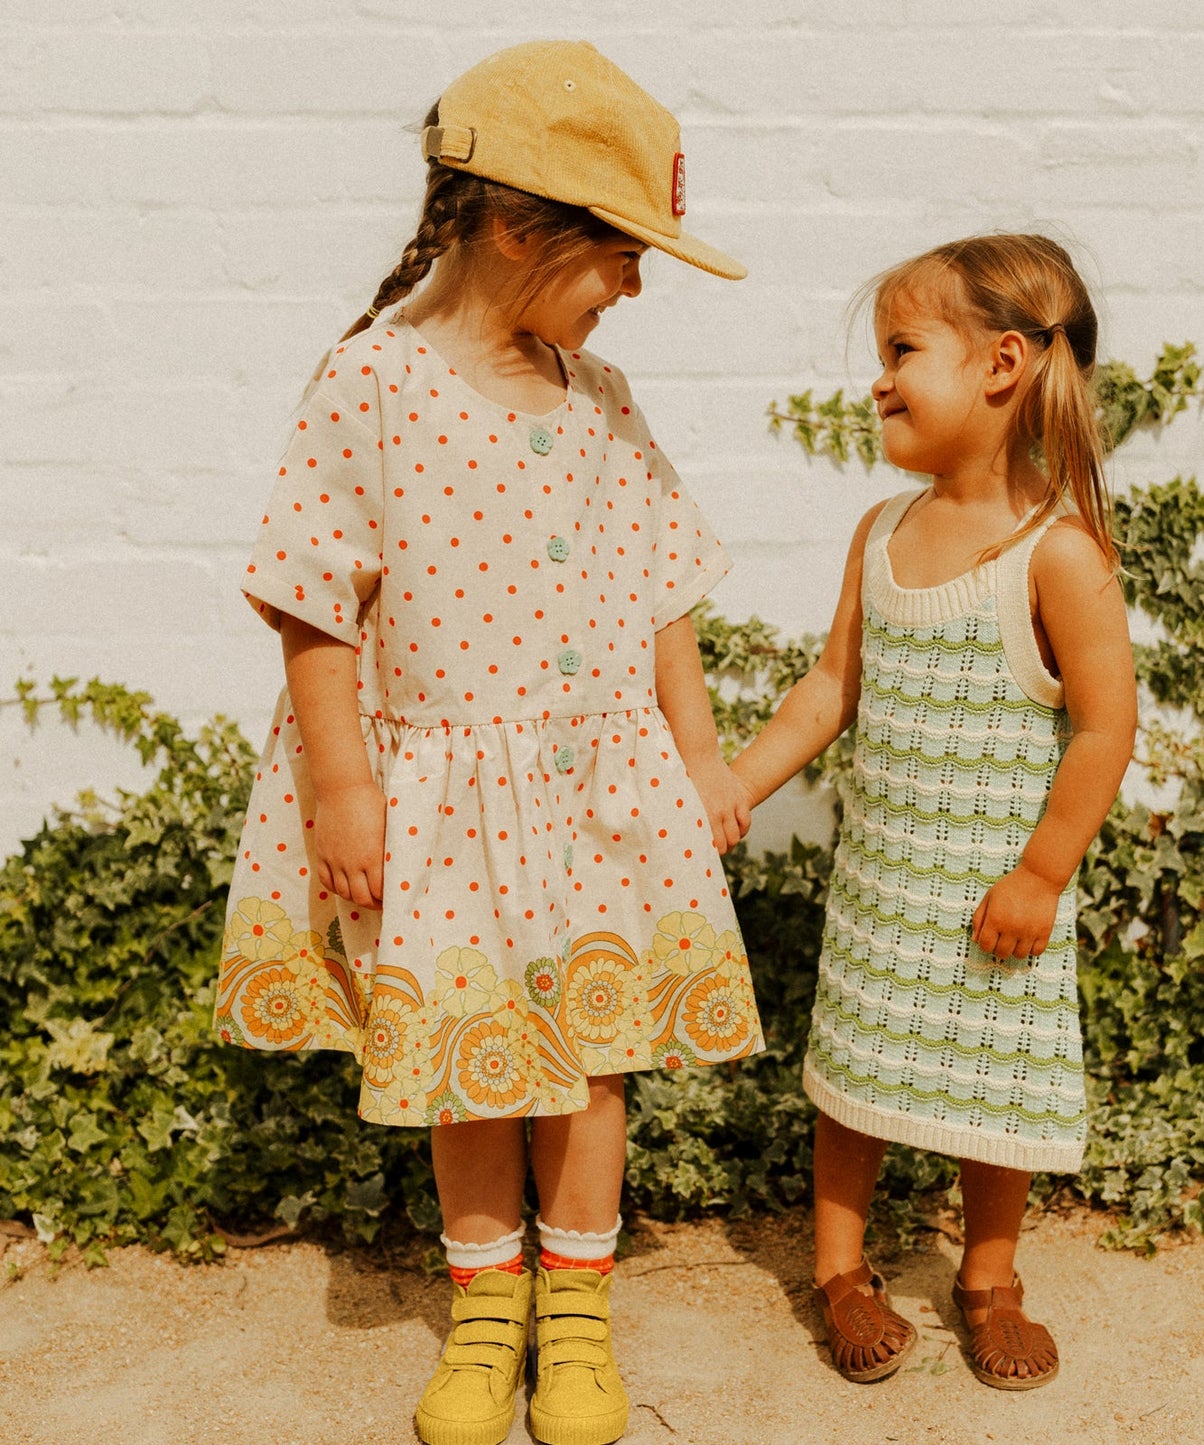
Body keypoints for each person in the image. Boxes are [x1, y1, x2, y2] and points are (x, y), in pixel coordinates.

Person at [214, 40, 759, 1445]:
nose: (633, 287)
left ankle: (576, 1314)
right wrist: (343, 787)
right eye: (620, 253)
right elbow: (313, 601)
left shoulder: (602, 401)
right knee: (467, 1056)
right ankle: (486, 1309)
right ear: (520, 227)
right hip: (440, 789)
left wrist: (699, 759)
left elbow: (662, 595)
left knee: (588, 1056)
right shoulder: (372, 385)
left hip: (593, 789)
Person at [731, 234, 1136, 1390]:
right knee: (853, 1076)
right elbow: (829, 688)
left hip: (994, 892)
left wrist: (1042, 873)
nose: (877, 378)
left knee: (991, 1091)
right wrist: (736, 783)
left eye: (901, 350)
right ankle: (840, 1271)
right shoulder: (880, 532)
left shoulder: (1056, 555)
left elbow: (1104, 727)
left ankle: (988, 1281)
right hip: (884, 889)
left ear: (1001, 363)